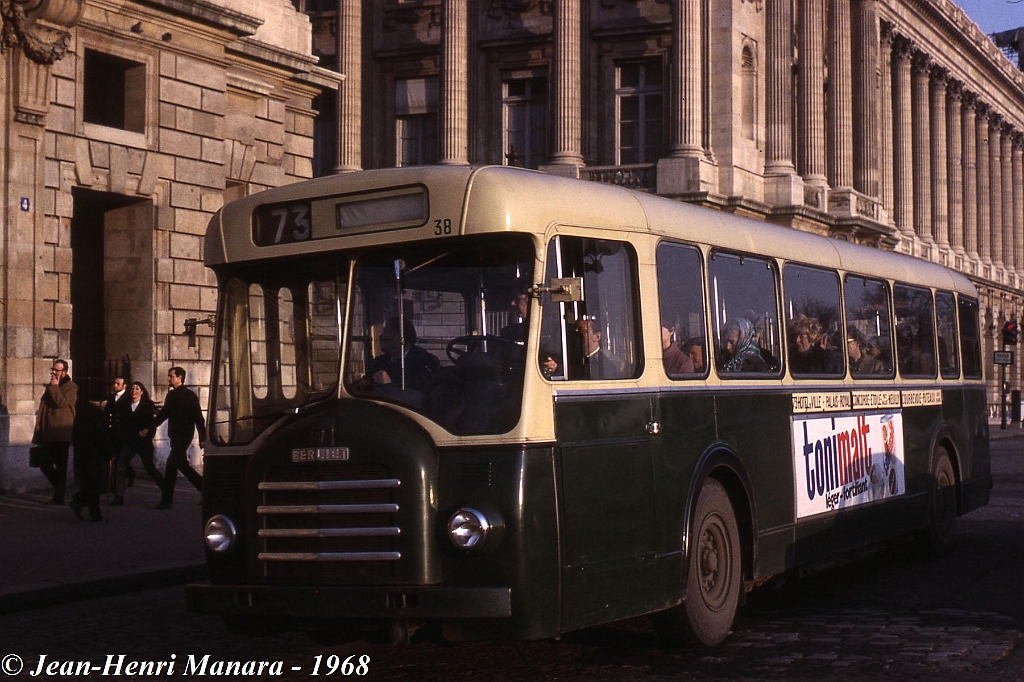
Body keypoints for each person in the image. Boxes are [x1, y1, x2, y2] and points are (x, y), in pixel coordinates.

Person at [153, 367, 205, 510]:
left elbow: (198, 418)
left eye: (171, 376)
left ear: (180, 377)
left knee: (170, 466)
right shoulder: (171, 395)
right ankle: (206, 490)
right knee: (183, 466)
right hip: (174, 435)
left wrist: (202, 437)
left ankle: (167, 499)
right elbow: (164, 414)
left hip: (185, 435)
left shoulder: (190, 396)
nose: (168, 379)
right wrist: (151, 426)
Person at [111, 381, 164, 506]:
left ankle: (166, 490)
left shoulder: (146, 406)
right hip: (129, 441)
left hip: (143, 443)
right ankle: (119, 496)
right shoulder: (125, 405)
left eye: (137, 388)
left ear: (142, 391)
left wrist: (147, 432)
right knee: (120, 466)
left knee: (150, 468)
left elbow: (152, 425)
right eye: (132, 388)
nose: (134, 391)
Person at [33, 359, 78, 504]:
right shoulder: (53, 386)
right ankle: (60, 489)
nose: (54, 372)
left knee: (60, 465)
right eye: (53, 369)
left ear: (64, 372)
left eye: (57, 370)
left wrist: (54, 388)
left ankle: (59, 495)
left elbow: (62, 403)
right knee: (43, 462)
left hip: (61, 433)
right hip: (48, 431)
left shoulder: (71, 387)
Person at [367, 317, 439, 395]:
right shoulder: (380, 362)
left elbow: (422, 392)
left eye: (386, 333)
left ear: (400, 338)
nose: (381, 337)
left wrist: (390, 383)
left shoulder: (424, 361)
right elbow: (366, 384)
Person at [69, 395, 106, 522]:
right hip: (95, 454)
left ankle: (89, 508)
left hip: (82, 454)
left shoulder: (81, 414)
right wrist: (108, 451)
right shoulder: (97, 415)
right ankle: (85, 505)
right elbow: (101, 436)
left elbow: (74, 436)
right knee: (94, 484)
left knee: (88, 482)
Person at [99, 376, 133, 489]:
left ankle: (117, 483)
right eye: (114, 383)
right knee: (110, 458)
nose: (115, 385)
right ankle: (109, 483)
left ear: (124, 386)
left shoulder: (128, 398)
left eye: (118, 384)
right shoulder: (110, 398)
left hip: (122, 434)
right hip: (111, 433)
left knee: (119, 460)